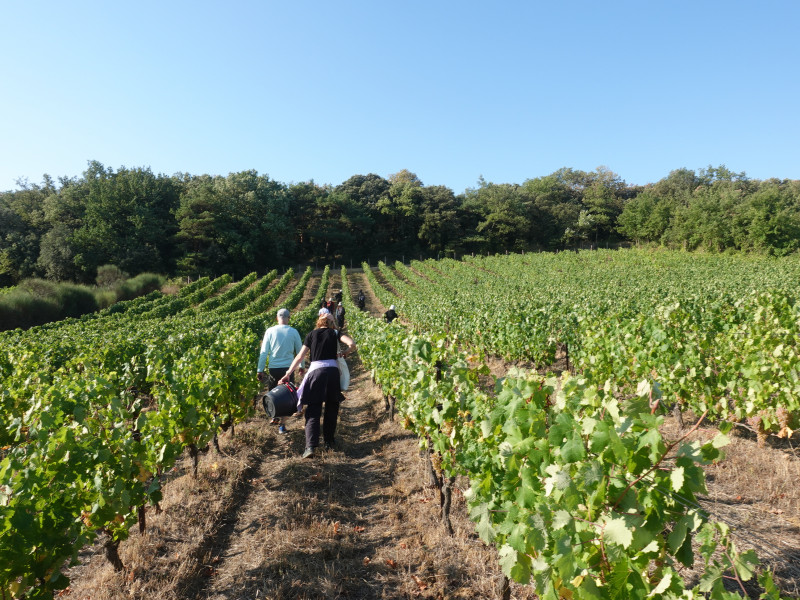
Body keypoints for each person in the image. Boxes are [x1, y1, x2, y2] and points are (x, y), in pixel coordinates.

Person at [280, 312, 356, 458]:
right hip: (332, 373)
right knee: (331, 408)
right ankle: (329, 442)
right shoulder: (335, 333)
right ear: (331, 323)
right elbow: (352, 344)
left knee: (313, 409)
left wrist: (288, 373)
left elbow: (300, 356)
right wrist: (344, 353)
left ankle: (310, 447)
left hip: (316, 373)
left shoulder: (311, 334)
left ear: (319, 322)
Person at [257, 308, 304, 434]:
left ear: (277, 318)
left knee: (273, 394)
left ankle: (274, 416)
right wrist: (301, 366)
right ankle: (282, 426)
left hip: (273, 368)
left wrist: (260, 369)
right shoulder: (293, 332)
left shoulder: (270, 331)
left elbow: (264, 352)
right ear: (289, 318)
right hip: (288, 369)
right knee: (288, 397)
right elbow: (300, 351)